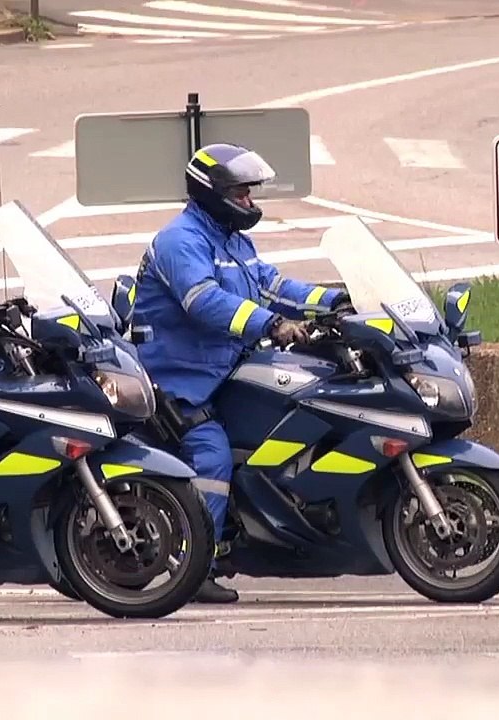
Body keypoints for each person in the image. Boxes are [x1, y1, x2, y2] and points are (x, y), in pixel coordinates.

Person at [127, 142, 353, 603]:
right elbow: (204, 301)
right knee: (212, 456)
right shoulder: (180, 241)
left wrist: (336, 301)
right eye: (241, 193)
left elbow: (272, 285)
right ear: (213, 193)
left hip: (223, 372)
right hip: (178, 380)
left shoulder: (233, 240)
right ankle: (196, 567)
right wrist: (271, 324)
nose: (249, 201)